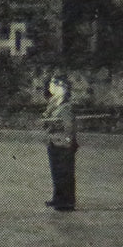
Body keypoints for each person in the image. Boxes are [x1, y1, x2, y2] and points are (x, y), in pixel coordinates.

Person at [42, 76, 77, 211]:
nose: (51, 88)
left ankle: (67, 202)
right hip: (53, 142)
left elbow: (69, 127)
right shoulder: (53, 103)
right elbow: (46, 119)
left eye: (54, 85)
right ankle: (58, 199)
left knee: (65, 174)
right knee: (56, 173)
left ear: (62, 88)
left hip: (64, 144)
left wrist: (68, 142)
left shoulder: (67, 106)